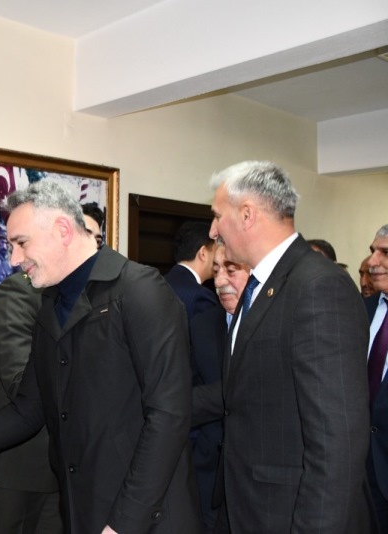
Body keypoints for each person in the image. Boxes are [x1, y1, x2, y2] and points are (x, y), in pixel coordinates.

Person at [0, 180, 200, 534]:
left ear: (63, 230)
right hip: (82, 507)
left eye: (21, 243)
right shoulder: (51, 305)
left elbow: (168, 417)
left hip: (143, 516)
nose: (14, 259)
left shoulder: (140, 290)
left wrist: (123, 524)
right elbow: (27, 411)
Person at [202, 160, 373, 533]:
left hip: (288, 515)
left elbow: (336, 444)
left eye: (217, 216)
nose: (213, 230)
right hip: (245, 507)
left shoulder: (317, 287)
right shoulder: (261, 286)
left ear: (247, 214)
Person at [0, 271, 62, 534]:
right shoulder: (18, 293)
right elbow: (20, 385)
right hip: (14, 468)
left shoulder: (83, 295)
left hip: (63, 468)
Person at [163, 221, 223, 532]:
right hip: (194, 427)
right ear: (203, 252)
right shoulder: (201, 299)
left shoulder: (158, 285)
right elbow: (207, 369)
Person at [365, 223, 388, 532]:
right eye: (372, 251)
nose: (372, 261)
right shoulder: (361, 309)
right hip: (358, 473)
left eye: (385, 253)